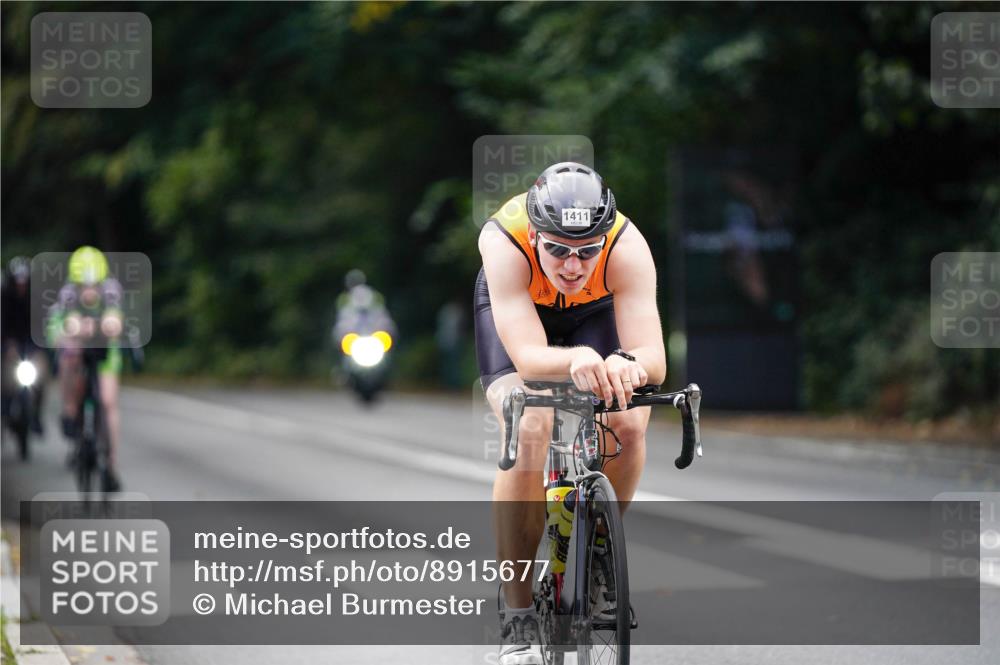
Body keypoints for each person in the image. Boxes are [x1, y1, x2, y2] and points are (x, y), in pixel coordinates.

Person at [475, 162, 666, 664]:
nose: (573, 265)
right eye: (558, 248)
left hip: (595, 314)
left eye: (587, 250)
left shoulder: (627, 246)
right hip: (522, 317)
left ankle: (601, 556)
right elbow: (532, 361)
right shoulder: (504, 241)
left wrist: (627, 366)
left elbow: (654, 357)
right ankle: (517, 617)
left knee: (626, 421)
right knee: (530, 425)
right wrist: (578, 358)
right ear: (536, 234)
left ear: (605, 238)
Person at [48, 246, 124, 492]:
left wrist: (109, 324)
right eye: (84, 285)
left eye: (94, 285)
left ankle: (111, 465)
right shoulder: (67, 294)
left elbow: (116, 319)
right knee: (68, 357)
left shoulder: (111, 290)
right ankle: (70, 410)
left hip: (104, 352)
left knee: (108, 401)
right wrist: (67, 332)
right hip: (77, 351)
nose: (89, 291)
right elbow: (56, 329)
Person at [1, 256, 47, 434]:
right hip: (9, 345)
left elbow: (43, 326)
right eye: (18, 281)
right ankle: (4, 411)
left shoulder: (36, 299)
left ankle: (36, 415)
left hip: (32, 346)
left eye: (25, 281)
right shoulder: (4, 298)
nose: (21, 284)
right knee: (5, 378)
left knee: (42, 376)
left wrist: (39, 348)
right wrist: (8, 345)